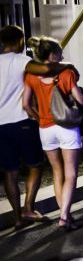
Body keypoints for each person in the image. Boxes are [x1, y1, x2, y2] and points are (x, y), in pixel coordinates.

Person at [22, 37, 83, 230]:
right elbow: (81, 100)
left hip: (45, 129)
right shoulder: (66, 73)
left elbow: (25, 104)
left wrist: (39, 116)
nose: (62, 56)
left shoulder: (31, 76)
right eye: (59, 52)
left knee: (57, 172)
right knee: (71, 173)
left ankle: (63, 212)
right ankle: (65, 216)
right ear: (52, 54)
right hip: (66, 126)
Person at [0, 25, 56, 228]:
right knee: (35, 165)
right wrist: (65, 66)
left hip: (0, 127)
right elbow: (46, 69)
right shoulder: (23, 61)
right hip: (22, 122)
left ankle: (17, 217)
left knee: (10, 171)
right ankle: (28, 209)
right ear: (21, 41)